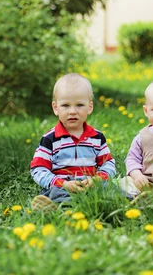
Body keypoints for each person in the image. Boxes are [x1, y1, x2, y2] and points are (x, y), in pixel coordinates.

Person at [30, 73, 116, 212]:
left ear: (90, 107)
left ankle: (128, 202)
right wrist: (62, 183)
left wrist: (98, 179)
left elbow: (108, 163)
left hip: (92, 185)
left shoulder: (97, 137)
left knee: (111, 188)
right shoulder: (50, 139)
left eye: (79, 105)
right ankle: (61, 208)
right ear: (55, 108)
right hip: (62, 186)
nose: (72, 111)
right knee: (56, 193)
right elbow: (38, 169)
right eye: (65, 105)